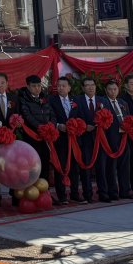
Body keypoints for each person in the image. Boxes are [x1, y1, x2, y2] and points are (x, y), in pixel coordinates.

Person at [18, 75, 63, 204]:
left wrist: (51, 126)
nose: (37, 88)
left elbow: (52, 115)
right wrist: (41, 128)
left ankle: (45, 193)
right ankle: (31, 194)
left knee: (44, 166)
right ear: (28, 86)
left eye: (39, 86)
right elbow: (27, 116)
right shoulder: (23, 99)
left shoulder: (45, 98)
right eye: (34, 86)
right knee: (33, 167)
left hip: (46, 139)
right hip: (32, 138)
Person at [49, 76, 88, 204]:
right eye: (58, 85)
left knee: (74, 168)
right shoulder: (51, 100)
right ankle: (62, 196)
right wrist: (58, 125)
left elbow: (81, 117)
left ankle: (75, 193)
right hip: (60, 139)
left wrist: (78, 125)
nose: (60, 88)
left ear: (69, 88)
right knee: (60, 167)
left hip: (75, 139)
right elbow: (50, 117)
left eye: (63, 85)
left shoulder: (75, 100)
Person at [75, 77, 106, 202]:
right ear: (83, 88)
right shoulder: (77, 101)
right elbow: (73, 118)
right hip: (85, 140)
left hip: (100, 140)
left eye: (92, 84)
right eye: (87, 85)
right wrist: (83, 126)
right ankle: (88, 194)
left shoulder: (102, 100)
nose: (91, 87)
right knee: (86, 168)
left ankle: (103, 193)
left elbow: (108, 118)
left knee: (101, 167)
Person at [100, 78, 131, 201]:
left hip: (123, 139)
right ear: (106, 90)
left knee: (125, 166)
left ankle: (125, 190)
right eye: (110, 89)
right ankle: (113, 192)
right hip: (109, 139)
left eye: (115, 89)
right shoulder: (102, 103)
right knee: (111, 167)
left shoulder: (123, 103)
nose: (113, 91)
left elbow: (128, 118)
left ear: (118, 90)